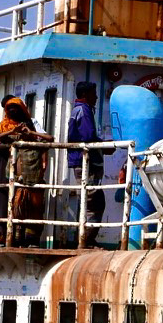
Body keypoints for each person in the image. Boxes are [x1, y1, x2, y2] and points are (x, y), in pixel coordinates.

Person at [0, 96, 51, 248]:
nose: (12, 111)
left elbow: (48, 140)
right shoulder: (4, 125)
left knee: (29, 203)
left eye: (16, 108)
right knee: (9, 200)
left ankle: (27, 239)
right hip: (9, 167)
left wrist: (32, 134)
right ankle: (3, 236)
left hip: (31, 170)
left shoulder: (31, 124)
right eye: (9, 109)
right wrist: (10, 132)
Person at [66, 82, 107, 247]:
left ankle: (84, 238)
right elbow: (88, 136)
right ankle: (87, 240)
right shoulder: (83, 110)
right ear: (85, 95)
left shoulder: (78, 110)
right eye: (93, 93)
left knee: (86, 201)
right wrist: (105, 145)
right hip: (86, 162)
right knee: (95, 202)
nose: (96, 97)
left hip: (81, 161)